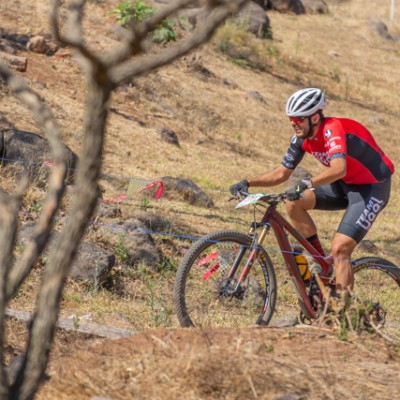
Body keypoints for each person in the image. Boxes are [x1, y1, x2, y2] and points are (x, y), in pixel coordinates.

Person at [229, 87, 394, 296]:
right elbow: (281, 173)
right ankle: (322, 263)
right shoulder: (301, 138)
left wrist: (306, 184)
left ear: (315, 117)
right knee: (293, 203)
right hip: (343, 183)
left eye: (298, 118)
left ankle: (341, 317)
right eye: (291, 118)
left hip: (372, 187)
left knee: (341, 248)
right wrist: (248, 182)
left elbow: (338, 168)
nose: (293, 122)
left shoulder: (332, 129)